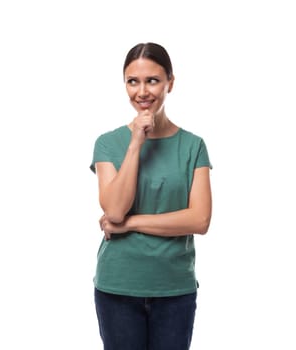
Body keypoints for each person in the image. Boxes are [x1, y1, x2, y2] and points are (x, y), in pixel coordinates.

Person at [89, 42, 213, 350]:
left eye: (152, 80)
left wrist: (131, 225)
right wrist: (135, 144)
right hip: (118, 287)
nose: (142, 91)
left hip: (174, 289)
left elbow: (199, 219)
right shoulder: (108, 144)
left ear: (171, 82)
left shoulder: (193, 146)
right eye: (133, 81)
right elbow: (115, 211)